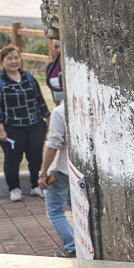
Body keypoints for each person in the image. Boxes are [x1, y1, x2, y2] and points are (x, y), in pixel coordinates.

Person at [0, 45, 49, 201]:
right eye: (9, 58)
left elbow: (39, 100)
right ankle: (14, 188)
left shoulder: (29, 77)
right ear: (2, 61)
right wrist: (0, 130)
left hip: (34, 125)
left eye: (16, 57)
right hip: (11, 129)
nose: (13, 61)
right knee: (13, 158)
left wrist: (47, 119)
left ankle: (36, 186)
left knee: (35, 157)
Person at [40, 100, 76, 257]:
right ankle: (85, 245)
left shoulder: (59, 111)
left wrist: (43, 172)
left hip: (61, 168)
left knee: (54, 210)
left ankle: (73, 247)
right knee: (76, 207)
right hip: (77, 170)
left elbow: (54, 144)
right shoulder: (83, 105)